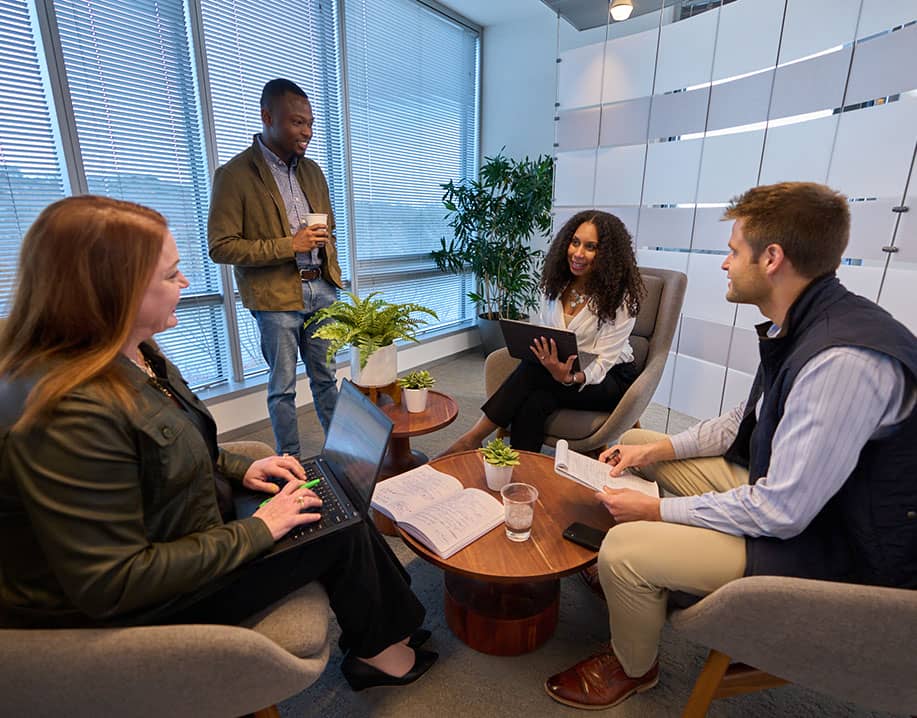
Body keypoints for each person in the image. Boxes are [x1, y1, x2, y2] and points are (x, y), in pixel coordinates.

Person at [0, 196, 436, 691]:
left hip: (185, 525)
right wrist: (258, 530)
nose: (185, 284)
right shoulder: (68, 413)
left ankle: (388, 631)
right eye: (170, 275)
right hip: (145, 604)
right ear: (112, 292)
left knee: (331, 499)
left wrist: (236, 468)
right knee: (337, 526)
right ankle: (381, 651)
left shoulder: (134, 351)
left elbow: (172, 443)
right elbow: (114, 584)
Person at [544, 181, 917, 710]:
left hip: (830, 541)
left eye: (733, 250)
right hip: (800, 499)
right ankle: (664, 571)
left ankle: (634, 666)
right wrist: (655, 451)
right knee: (640, 440)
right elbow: (743, 423)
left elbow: (782, 512)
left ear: (771, 258)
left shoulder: (841, 361)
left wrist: (656, 510)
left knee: (623, 550)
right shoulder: (807, 321)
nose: (724, 264)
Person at [208, 78, 342, 457]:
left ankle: (345, 456)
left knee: (326, 379)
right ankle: (291, 464)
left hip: (322, 289)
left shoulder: (313, 171)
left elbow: (328, 227)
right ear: (267, 116)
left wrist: (325, 246)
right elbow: (221, 246)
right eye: (298, 122)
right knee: (283, 387)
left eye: (311, 123)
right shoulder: (234, 176)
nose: (307, 132)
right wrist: (290, 245)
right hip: (276, 298)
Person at [443, 210, 644, 454]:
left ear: (608, 255)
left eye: (591, 247)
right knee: (535, 401)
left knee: (532, 371)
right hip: (559, 370)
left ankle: (473, 438)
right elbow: (551, 335)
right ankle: (518, 471)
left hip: (609, 379)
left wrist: (569, 378)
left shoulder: (620, 299)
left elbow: (604, 362)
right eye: (575, 242)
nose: (578, 253)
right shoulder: (554, 284)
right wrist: (549, 361)